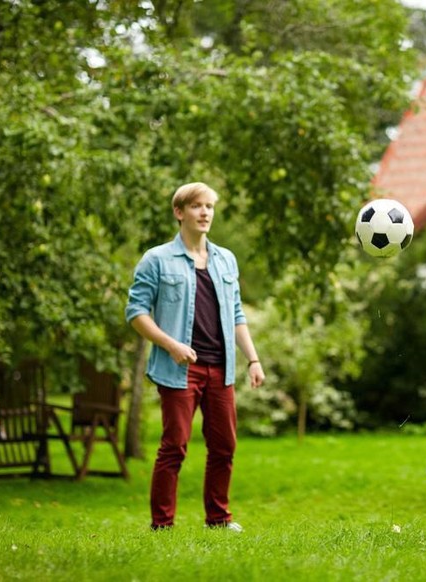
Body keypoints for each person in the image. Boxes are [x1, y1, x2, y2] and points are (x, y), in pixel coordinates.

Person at [126, 182, 265, 532]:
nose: (205, 213)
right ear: (179, 212)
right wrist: (171, 345)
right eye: (196, 206)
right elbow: (136, 312)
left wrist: (253, 359)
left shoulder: (225, 259)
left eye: (210, 207)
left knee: (225, 446)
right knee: (175, 446)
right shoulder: (156, 259)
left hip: (221, 369)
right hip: (179, 370)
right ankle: (162, 524)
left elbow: (236, 313)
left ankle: (218, 519)